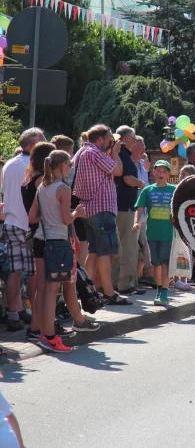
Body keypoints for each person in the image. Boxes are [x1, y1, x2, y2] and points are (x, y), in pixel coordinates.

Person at [28, 150, 100, 352]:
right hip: (58, 243)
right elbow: (66, 220)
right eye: (69, 164)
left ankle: (39, 330)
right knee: (52, 291)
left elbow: (32, 217)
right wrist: (76, 213)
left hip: (40, 240)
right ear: (62, 165)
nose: (70, 168)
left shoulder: (42, 186)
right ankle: (50, 336)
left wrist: (50, 216)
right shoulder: (63, 188)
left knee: (42, 289)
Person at [72, 125, 126, 304]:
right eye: (109, 138)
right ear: (100, 139)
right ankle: (109, 293)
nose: (112, 142)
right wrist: (115, 152)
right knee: (105, 253)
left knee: (93, 252)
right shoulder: (94, 153)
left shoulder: (82, 151)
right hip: (102, 209)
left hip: (88, 210)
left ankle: (88, 291)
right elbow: (118, 170)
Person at [1, 128, 45, 331]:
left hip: (10, 222)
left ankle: (14, 313)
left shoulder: (9, 164)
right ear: (33, 144)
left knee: (15, 271)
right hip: (28, 225)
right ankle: (37, 315)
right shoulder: (32, 166)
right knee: (34, 272)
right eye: (42, 141)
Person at [22, 142, 56, 340]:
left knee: (42, 286)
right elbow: (41, 213)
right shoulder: (42, 181)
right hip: (43, 235)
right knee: (44, 286)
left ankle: (39, 326)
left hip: (35, 234)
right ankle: (39, 328)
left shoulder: (29, 177)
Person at [133, 160, 177, 306]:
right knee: (155, 263)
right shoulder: (147, 190)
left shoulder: (174, 190)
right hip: (152, 233)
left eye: (164, 171)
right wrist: (136, 222)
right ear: (153, 173)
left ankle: (164, 291)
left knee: (165, 262)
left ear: (168, 174)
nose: (161, 174)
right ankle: (159, 290)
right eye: (158, 171)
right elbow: (139, 208)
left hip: (168, 233)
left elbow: (180, 209)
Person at [112, 126, 146, 296]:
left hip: (123, 206)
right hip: (125, 208)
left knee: (123, 247)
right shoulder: (123, 156)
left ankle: (119, 282)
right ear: (126, 139)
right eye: (133, 138)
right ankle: (125, 284)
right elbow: (126, 178)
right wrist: (140, 183)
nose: (134, 141)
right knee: (129, 247)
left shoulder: (120, 155)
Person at [131, 136, 153, 287]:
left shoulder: (141, 165)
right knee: (133, 245)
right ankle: (133, 279)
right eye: (142, 145)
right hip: (133, 211)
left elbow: (146, 188)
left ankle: (142, 277)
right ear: (134, 146)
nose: (144, 148)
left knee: (145, 246)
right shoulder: (130, 164)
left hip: (144, 212)